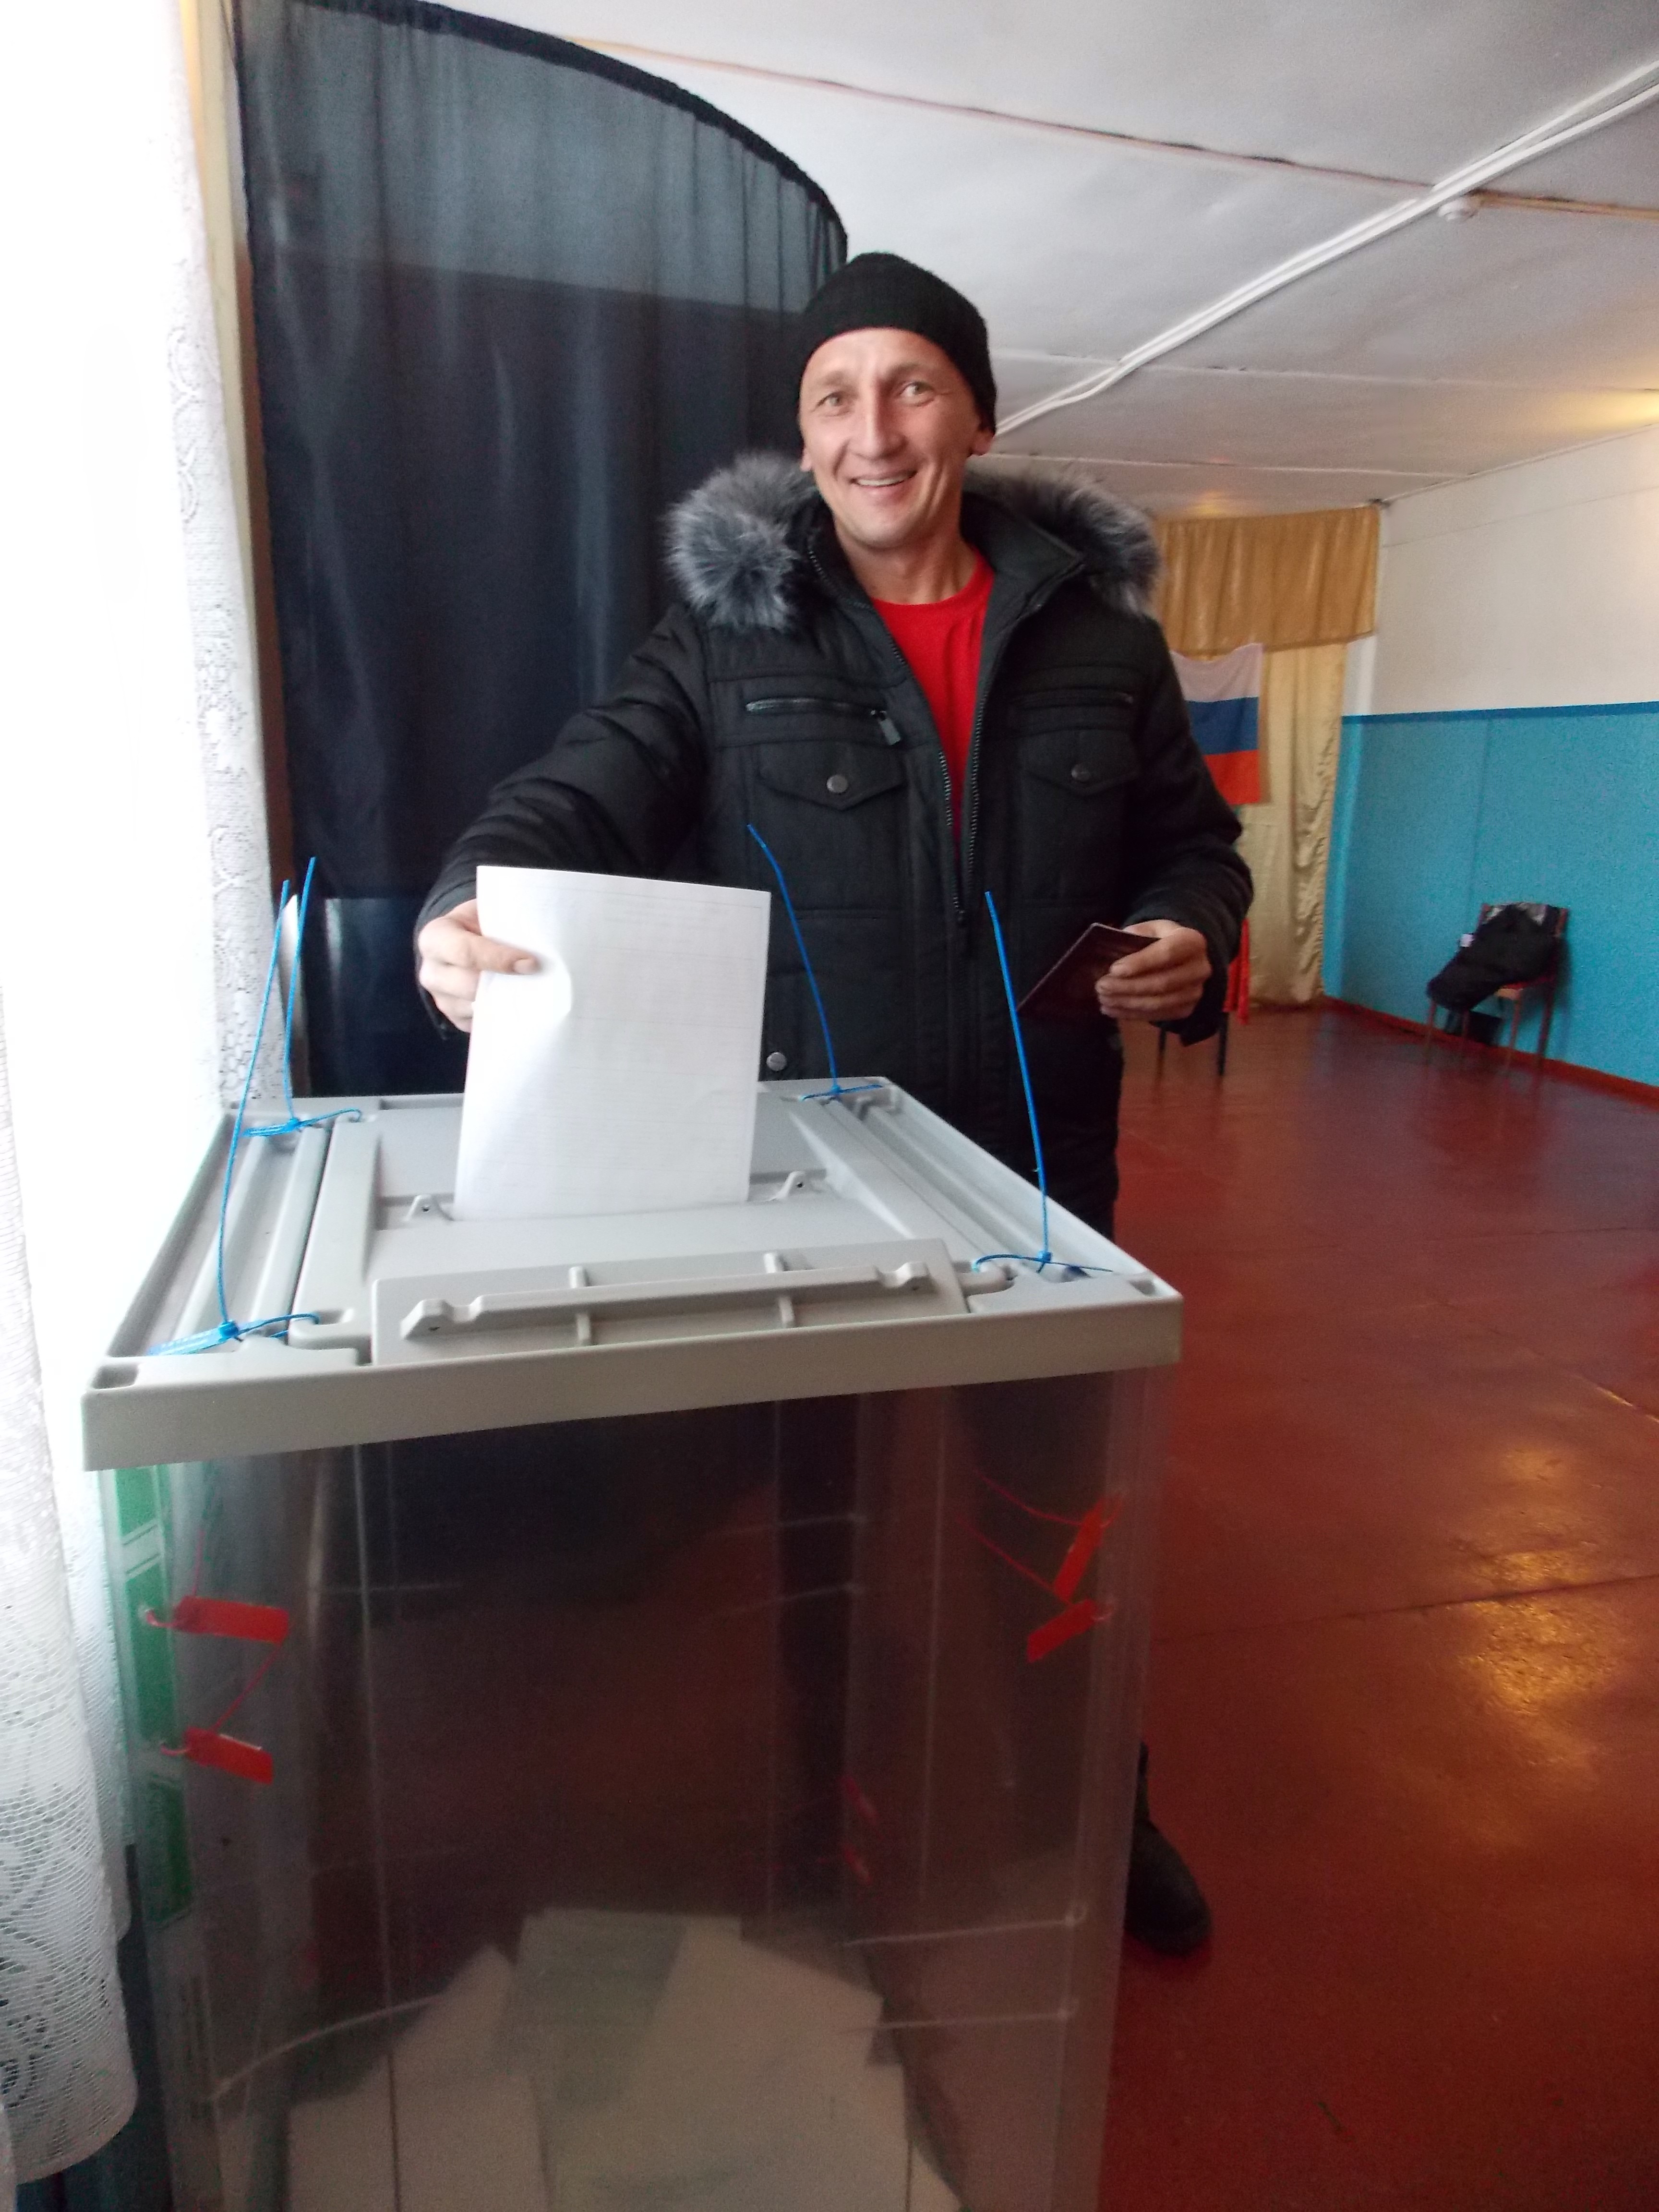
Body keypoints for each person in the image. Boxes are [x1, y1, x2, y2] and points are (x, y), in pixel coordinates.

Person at [417, 252, 1250, 1953]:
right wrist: (467, 899)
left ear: (979, 416)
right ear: (802, 439)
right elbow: (577, 794)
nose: (876, 430)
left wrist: (1194, 930)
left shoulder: (1106, 647)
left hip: (1041, 1175)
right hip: (817, 1188)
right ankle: (820, 1822)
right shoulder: (728, 643)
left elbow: (1193, 843)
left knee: (1054, 1524)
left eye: (914, 386)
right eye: (835, 396)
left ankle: (1099, 1813)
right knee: (827, 1531)